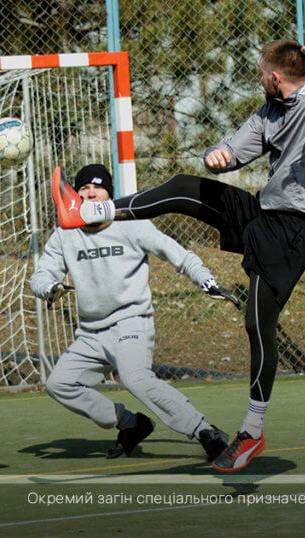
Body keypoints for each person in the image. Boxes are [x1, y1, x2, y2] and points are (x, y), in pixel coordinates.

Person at [52, 33, 305, 472]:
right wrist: (220, 155)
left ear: (272, 75)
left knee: (257, 322)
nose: (258, 80)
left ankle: (251, 431)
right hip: (263, 214)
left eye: (259, 74)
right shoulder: (269, 112)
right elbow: (234, 150)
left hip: (297, 229)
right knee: (183, 186)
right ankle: (92, 211)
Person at [33, 163, 232, 461]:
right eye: (84, 188)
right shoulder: (65, 234)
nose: (91, 193)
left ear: (109, 194)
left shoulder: (132, 222)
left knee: (135, 378)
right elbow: (41, 275)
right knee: (58, 384)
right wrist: (49, 287)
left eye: (97, 188)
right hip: (90, 333)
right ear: (75, 196)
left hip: (130, 323)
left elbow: (176, 253)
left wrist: (206, 279)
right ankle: (132, 424)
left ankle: (204, 430)